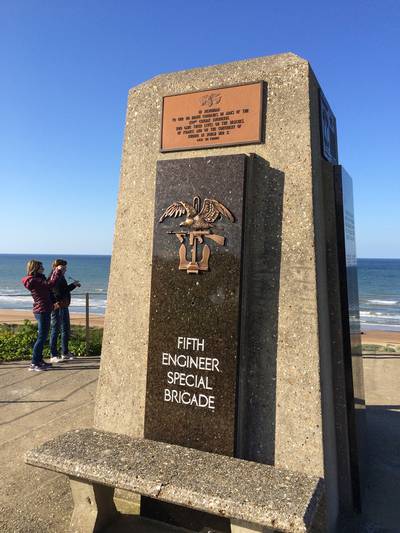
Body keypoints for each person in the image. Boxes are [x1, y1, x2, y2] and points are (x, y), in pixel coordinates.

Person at [22, 260, 64, 371]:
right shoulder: (34, 280)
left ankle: (39, 361)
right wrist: (58, 271)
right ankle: (34, 363)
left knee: (43, 336)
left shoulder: (38, 279)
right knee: (41, 337)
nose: (44, 269)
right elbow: (51, 284)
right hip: (41, 310)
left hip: (44, 309)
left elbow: (48, 289)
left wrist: (53, 302)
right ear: (35, 268)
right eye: (41, 267)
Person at [48, 259, 80, 362]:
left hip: (64, 305)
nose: (66, 269)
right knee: (55, 330)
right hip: (58, 306)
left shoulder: (60, 276)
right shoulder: (55, 276)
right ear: (58, 267)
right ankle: (53, 355)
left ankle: (65, 352)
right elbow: (58, 291)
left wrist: (73, 285)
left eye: (65, 267)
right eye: (64, 267)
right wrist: (73, 285)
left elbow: (63, 289)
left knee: (65, 329)